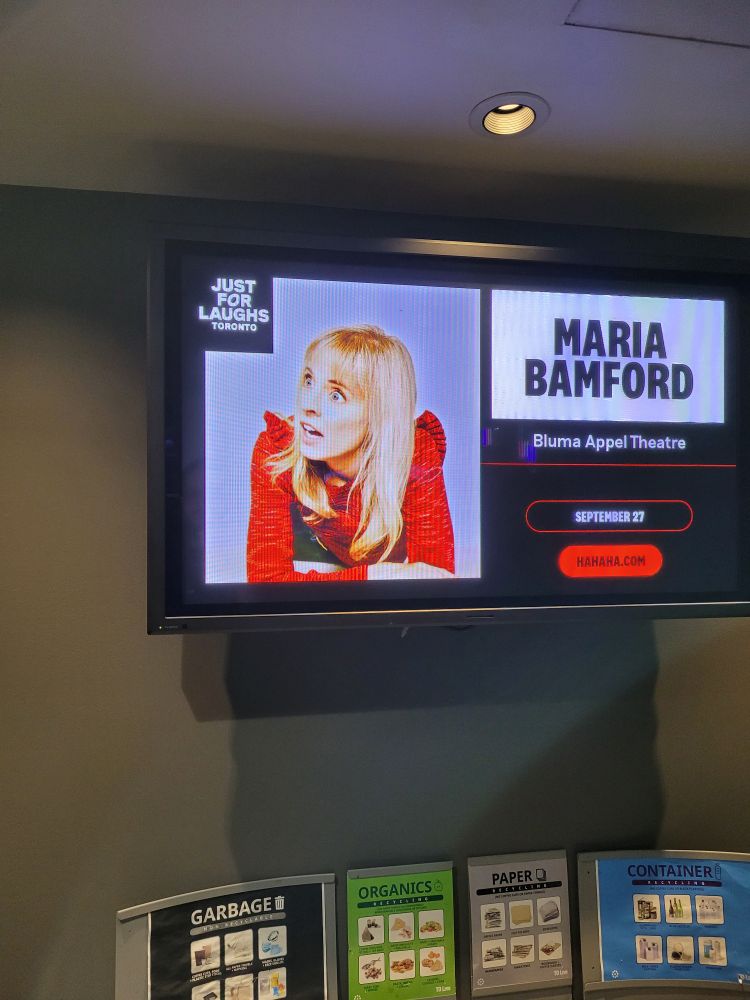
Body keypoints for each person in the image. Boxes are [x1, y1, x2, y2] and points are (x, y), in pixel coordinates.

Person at [246, 325, 455, 582]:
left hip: (374, 552)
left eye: (336, 395)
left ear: (380, 415)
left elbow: (436, 576)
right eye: (309, 381)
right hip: (316, 549)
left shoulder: (414, 452)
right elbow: (267, 583)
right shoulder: (278, 449)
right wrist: (375, 576)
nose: (308, 406)